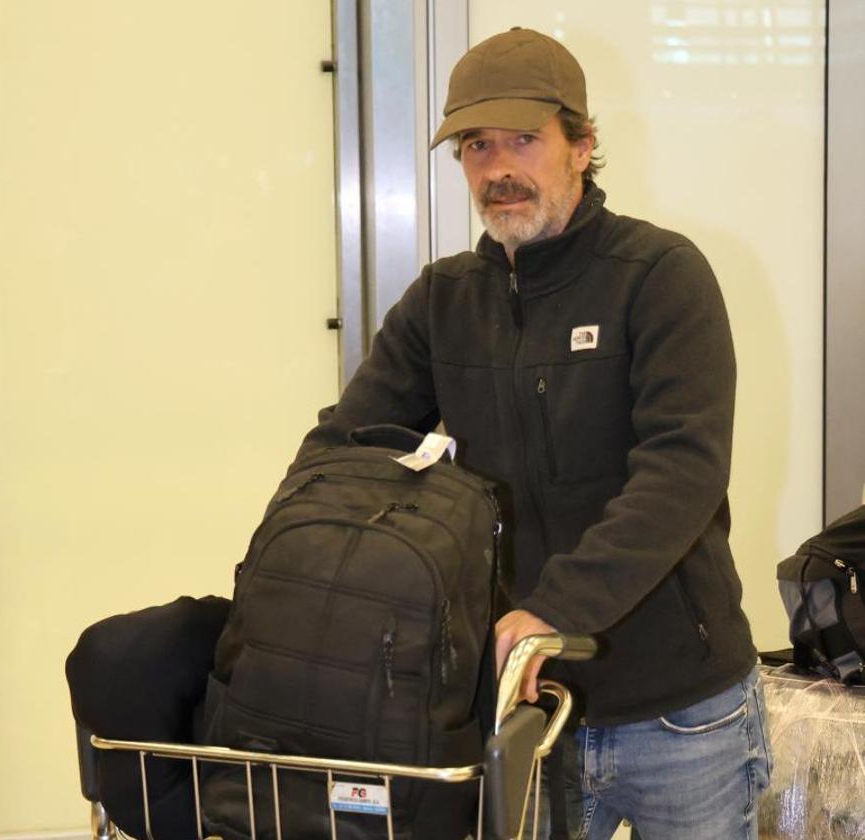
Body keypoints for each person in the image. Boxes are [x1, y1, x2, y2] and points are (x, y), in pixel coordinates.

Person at [295, 27, 772, 839]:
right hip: (523, 718)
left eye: (524, 140)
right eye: (477, 147)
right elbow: (346, 454)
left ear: (582, 146)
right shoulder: (443, 301)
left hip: (680, 716)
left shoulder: (660, 277)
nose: (498, 169)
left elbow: (681, 471)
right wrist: (305, 573)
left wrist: (552, 610)